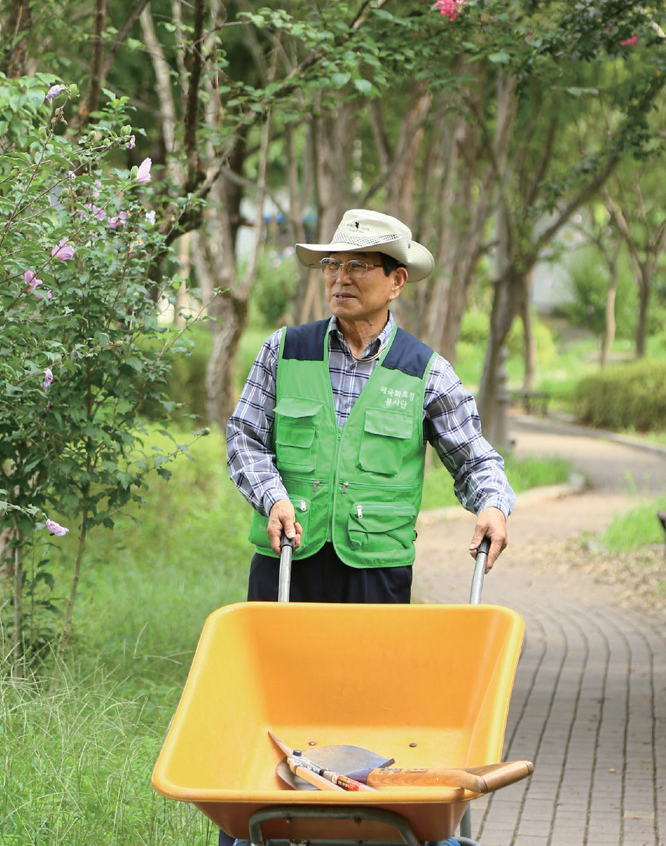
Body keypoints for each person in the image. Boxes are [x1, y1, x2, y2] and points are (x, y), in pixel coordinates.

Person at [221, 208, 514, 845]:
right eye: (333, 265)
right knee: (275, 714)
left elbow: (474, 456)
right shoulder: (284, 349)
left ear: (396, 280)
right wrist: (271, 496)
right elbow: (243, 438)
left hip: (374, 576)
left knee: (367, 717)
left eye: (358, 265)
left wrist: (492, 504)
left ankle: (362, 831)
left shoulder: (424, 370)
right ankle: (259, 829)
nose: (340, 278)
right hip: (287, 565)